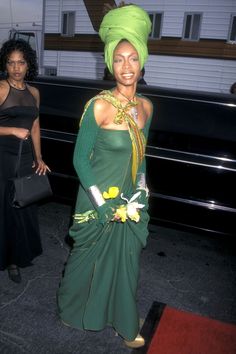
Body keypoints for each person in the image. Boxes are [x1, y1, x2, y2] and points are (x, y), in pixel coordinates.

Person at [57, 3, 152, 349]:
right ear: (110, 63)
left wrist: (141, 193)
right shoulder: (98, 106)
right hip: (96, 194)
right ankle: (72, 309)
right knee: (85, 261)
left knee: (127, 262)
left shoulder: (147, 108)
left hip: (128, 198)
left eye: (133, 58)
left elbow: (141, 159)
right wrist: (100, 204)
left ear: (142, 61)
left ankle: (124, 319)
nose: (126, 67)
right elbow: (80, 160)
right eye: (119, 59)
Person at [0, 39, 50, 283]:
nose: (16, 67)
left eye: (21, 62)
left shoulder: (34, 93)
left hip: (25, 157)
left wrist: (39, 158)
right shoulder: (1, 88)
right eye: (11, 63)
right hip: (3, 158)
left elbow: (35, 126)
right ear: (5, 65)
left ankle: (19, 254)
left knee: (22, 207)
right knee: (6, 210)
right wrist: (11, 131)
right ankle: (9, 260)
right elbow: (18, 129)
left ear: (28, 64)